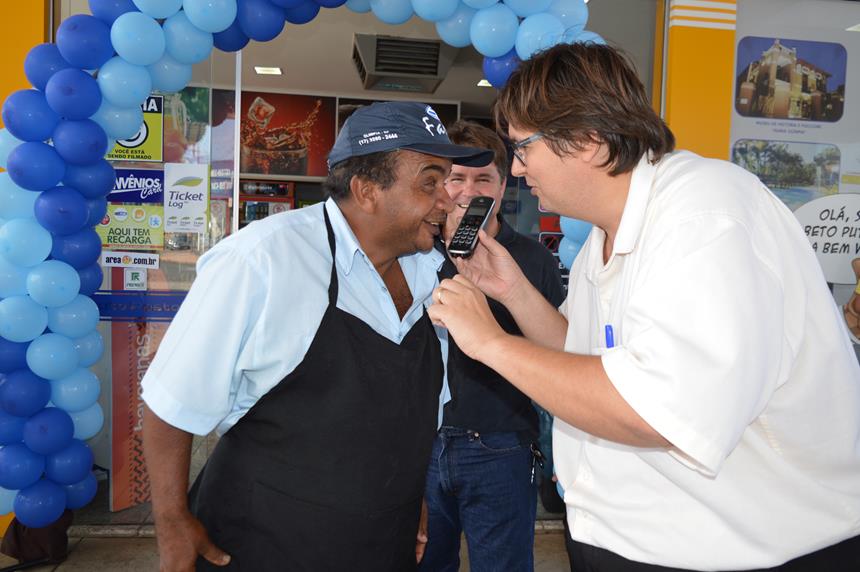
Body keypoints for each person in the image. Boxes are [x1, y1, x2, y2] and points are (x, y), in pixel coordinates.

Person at [427, 43, 860, 571]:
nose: (516, 170)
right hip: (626, 538)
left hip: (741, 551)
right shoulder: (606, 235)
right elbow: (582, 357)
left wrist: (490, 343)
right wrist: (513, 290)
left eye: (523, 148)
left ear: (586, 139)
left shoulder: (705, 216)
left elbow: (656, 410)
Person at [141, 101, 493, 572]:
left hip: (385, 541)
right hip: (264, 542)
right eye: (430, 181)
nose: (448, 200)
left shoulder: (433, 271)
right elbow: (171, 401)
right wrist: (171, 521)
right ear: (367, 190)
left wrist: (413, 498)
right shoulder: (262, 260)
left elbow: (418, 409)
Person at [418, 121, 565, 572]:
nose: (467, 190)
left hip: (501, 443)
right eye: (456, 178)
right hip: (421, 443)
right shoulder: (416, 250)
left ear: (503, 185)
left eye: (483, 179)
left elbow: (558, 351)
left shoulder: (534, 259)